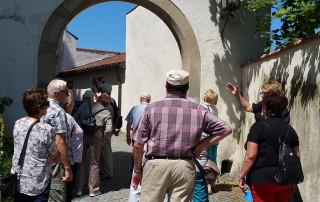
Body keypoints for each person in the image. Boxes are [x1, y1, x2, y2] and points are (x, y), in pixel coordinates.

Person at [131, 69, 232, 202]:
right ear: (187, 88)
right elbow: (226, 129)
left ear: (166, 86)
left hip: (155, 165)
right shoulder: (198, 110)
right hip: (184, 165)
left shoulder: (151, 108)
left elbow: (138, 144)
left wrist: (137, 170)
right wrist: (202, 145)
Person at [238, 91, 300, 202]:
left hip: (263, 180)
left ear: (265, 108)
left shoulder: (258, 127)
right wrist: (293, 181)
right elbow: (296, 156)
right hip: (285, 180)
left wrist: (241, 176)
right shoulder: (291, 130)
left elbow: (250, 156)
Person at [12, 87, 60, 202]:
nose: (48, 106)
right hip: (38, 181)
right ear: (40, 108)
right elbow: (54, 154)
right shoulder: (46, 129)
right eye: (46, 104)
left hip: (19, 178)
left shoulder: (18, 123)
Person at [74, 93, 113, 197]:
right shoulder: (106, 112)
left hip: (83, 135)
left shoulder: (84, 105)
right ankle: (93, 190)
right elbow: (109, 130)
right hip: (96, 137)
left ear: (98, 99)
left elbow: (75, 118)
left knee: (81, 163)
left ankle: (79, 189)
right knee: (94, 164)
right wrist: (103, 136)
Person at [42, 79, 73, 202]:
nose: (68, 95)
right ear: (58, 93)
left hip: (44, 159)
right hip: (56, 161)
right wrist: (67, 167)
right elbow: (59, 142)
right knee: (57, 195)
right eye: (66, 92)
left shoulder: (42, 107)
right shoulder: (58, 112)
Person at [126, 92, 151, 202]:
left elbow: (128, 123)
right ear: (149, 100)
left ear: (141, 99)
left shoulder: (135, 108)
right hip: (148, 139)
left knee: (135, 156)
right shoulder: (152, 108)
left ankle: (135, 175)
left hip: (136, 137)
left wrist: (127, 135)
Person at [63, 89, 83, 202]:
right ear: (71, 104)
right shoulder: (68, 118)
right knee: (67, 190)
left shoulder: (67, 118)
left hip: (71, 158)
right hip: (70, 159)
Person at [99, 83, 119, 180]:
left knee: (106, 151)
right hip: (110, 128)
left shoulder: (104, 101)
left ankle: (108, 172)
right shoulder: (112, 101)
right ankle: (102, 171)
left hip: (105, 129)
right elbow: (115, 115)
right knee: (102, 151)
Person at [202, 89, 219, 194]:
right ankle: (213, 184)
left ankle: (208, 185)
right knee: (213, 161)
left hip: (206, 138)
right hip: (215, 138)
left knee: (206, 163)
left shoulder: (203, 108)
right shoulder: (215, 109)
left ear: (205, 98)